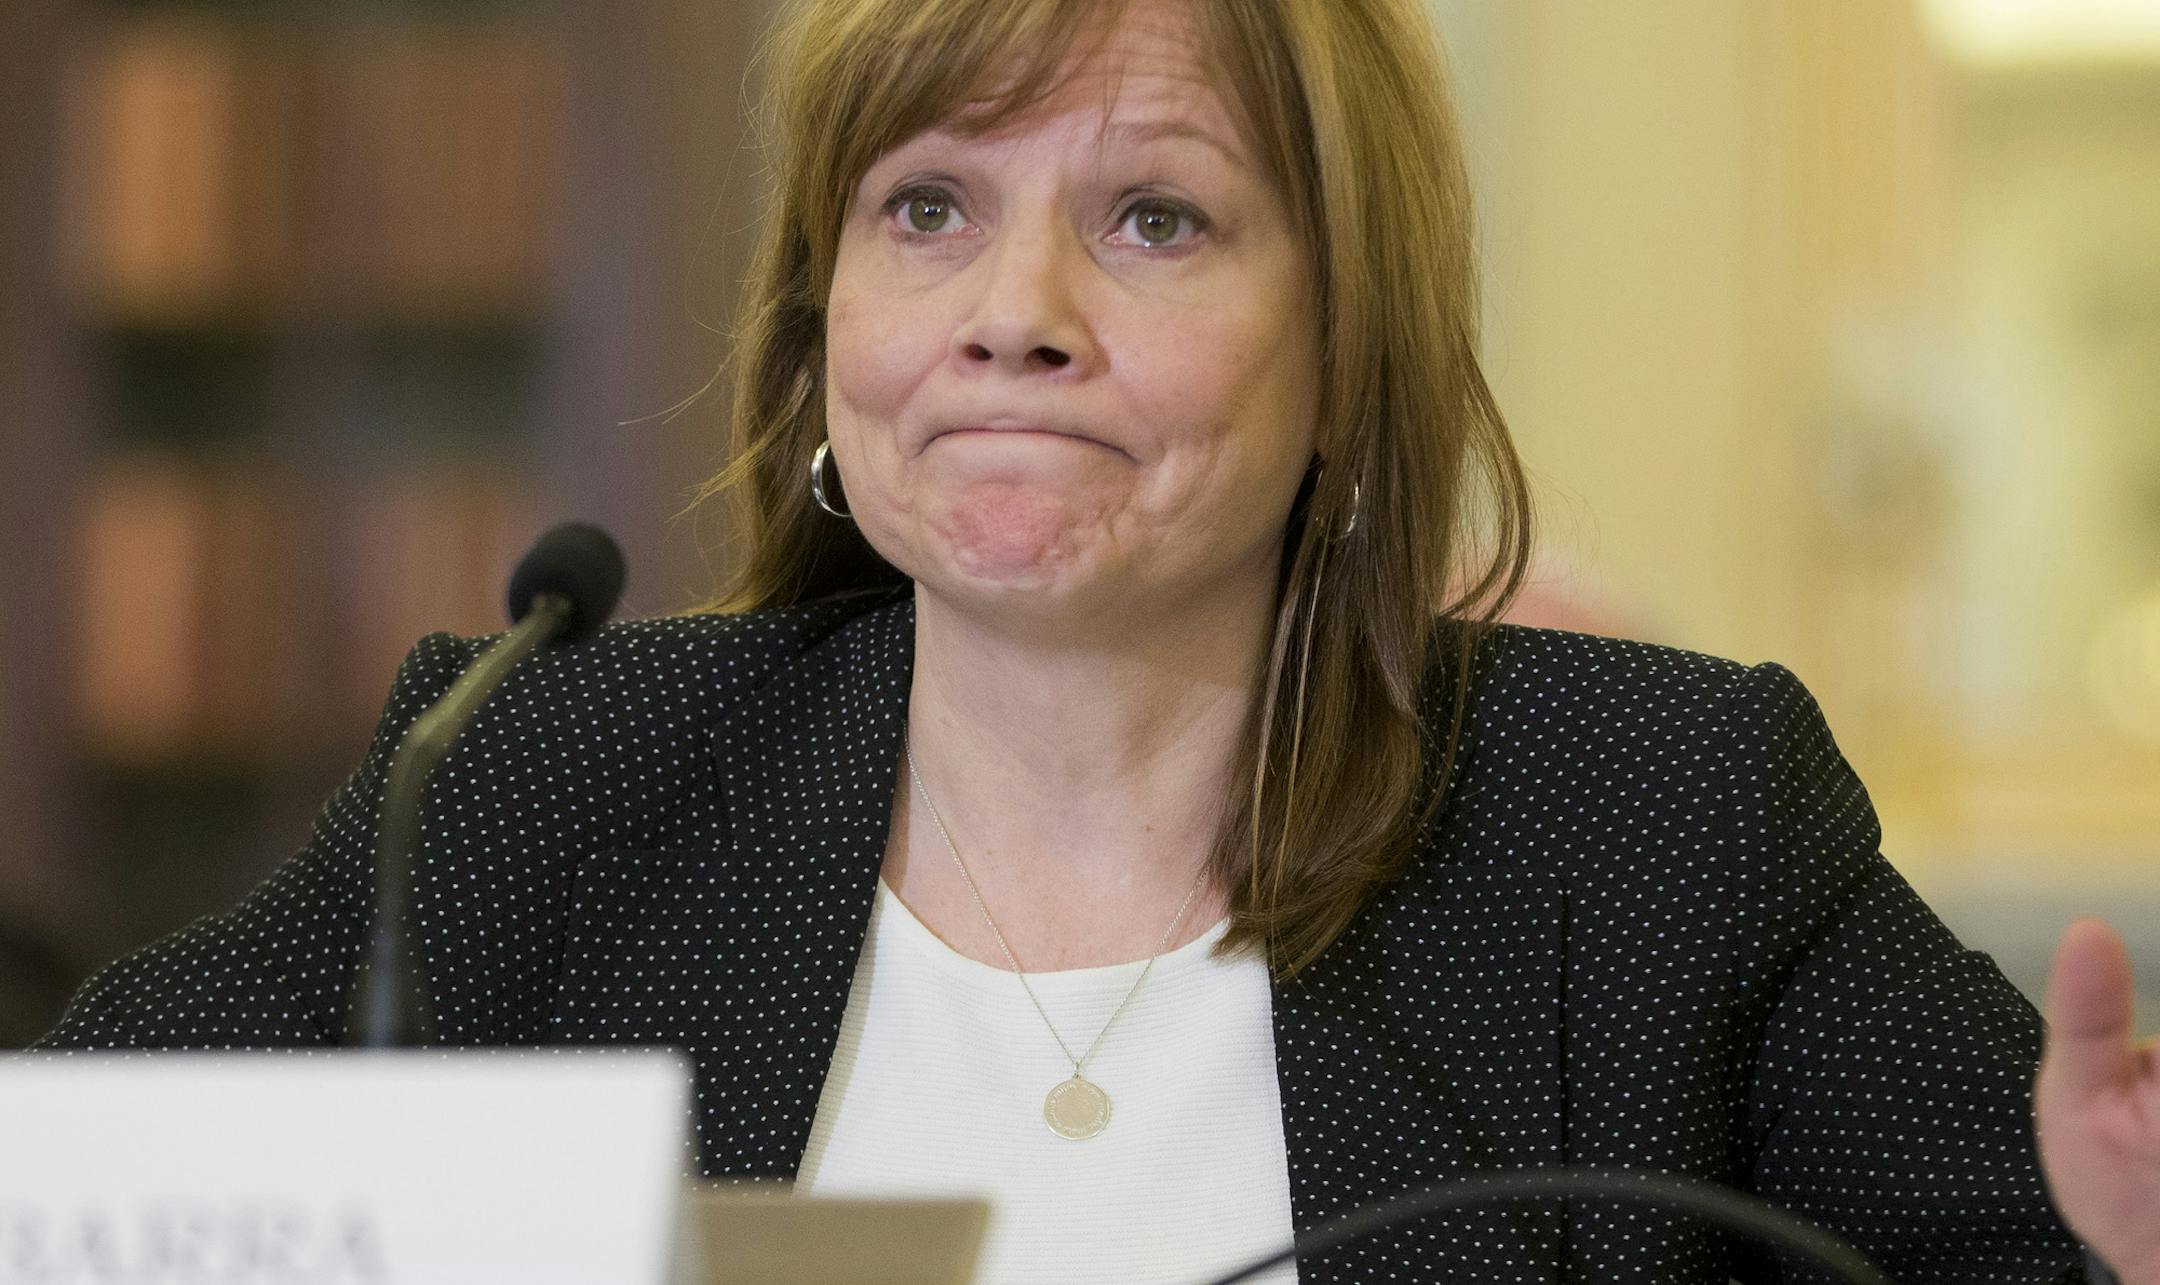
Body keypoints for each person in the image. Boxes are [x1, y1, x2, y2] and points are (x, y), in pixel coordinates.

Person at [36, 0, 2160, 1280]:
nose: (1011, 308)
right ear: (821, 335)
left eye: (1157, 216)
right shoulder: (543, 774)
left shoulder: (1658, 824)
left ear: (1350, 352)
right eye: (929, 207)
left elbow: (2070, 1237)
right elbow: (68, 1189)